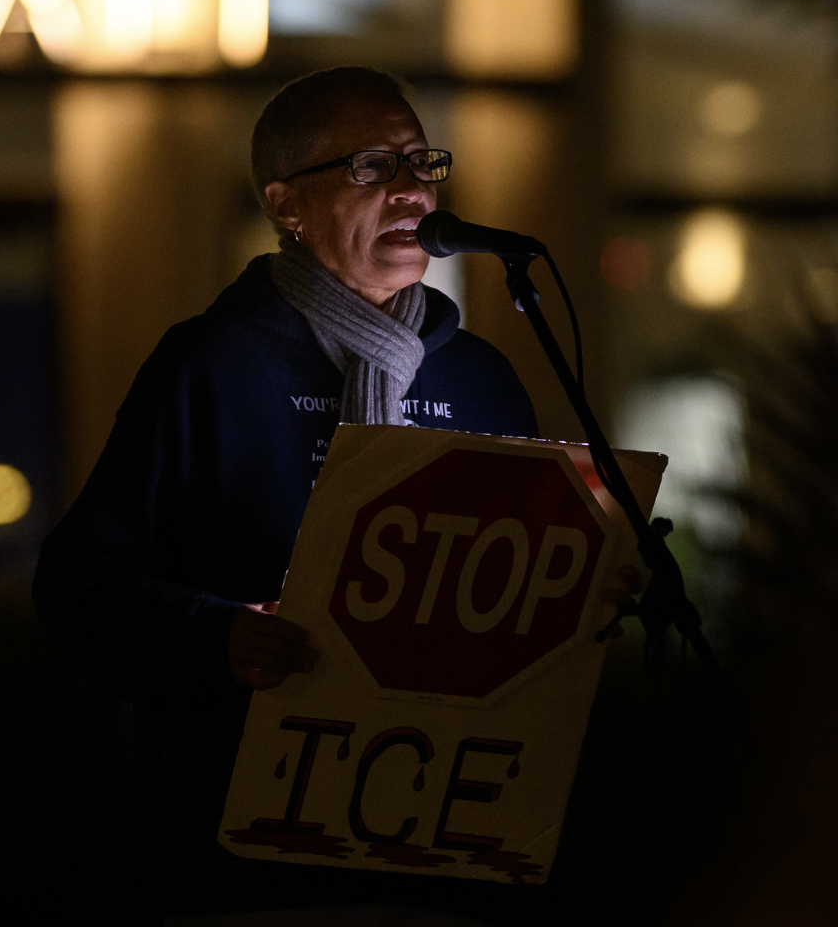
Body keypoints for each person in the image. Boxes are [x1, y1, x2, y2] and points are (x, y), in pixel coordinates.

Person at [34, 68, 560, 921]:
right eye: (369, 165)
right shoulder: (213, 365)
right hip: (249, 847)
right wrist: (219, 635)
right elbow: (77, 586)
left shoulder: (482, 378)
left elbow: (525, 591)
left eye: (421, 162)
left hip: (447, 843)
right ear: (286, 205)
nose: (410, 187)